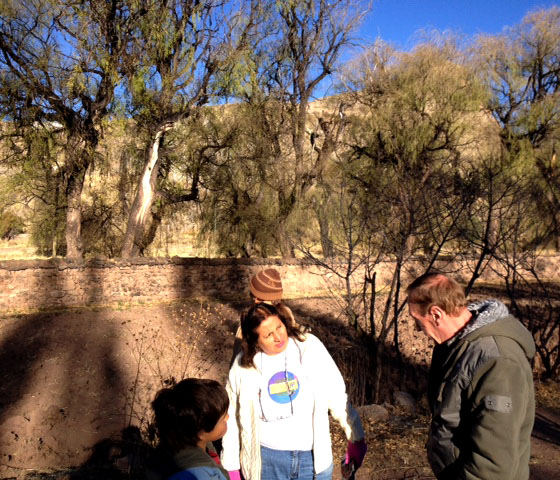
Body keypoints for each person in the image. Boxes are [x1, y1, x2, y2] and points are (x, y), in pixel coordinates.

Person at [406, 273, 535, 480]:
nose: (417, 329)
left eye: (417, 320)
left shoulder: (498, 361)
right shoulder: (455, 346)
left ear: (436, 314)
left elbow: (494, 461)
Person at [221, 302, 366, 480]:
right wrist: (231, 466)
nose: (278, 337)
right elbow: (231, 415)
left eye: (279, 327)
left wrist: (356, 437)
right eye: (268, 335)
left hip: (312, 459)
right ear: (255, 341)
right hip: (267, 462)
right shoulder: (244, 365)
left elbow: (336, 395)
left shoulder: (309, 347)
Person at [149, 378, 231, 480]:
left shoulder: (177, 444)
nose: (228, 417)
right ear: (201, 433)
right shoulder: (201, 476)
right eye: (223, 418)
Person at [231, 268, 299, 362]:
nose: (255, 301)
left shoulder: (251, 323)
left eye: (261, 299)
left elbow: (239, 358)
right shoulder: (286, 312)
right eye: (253, 296)